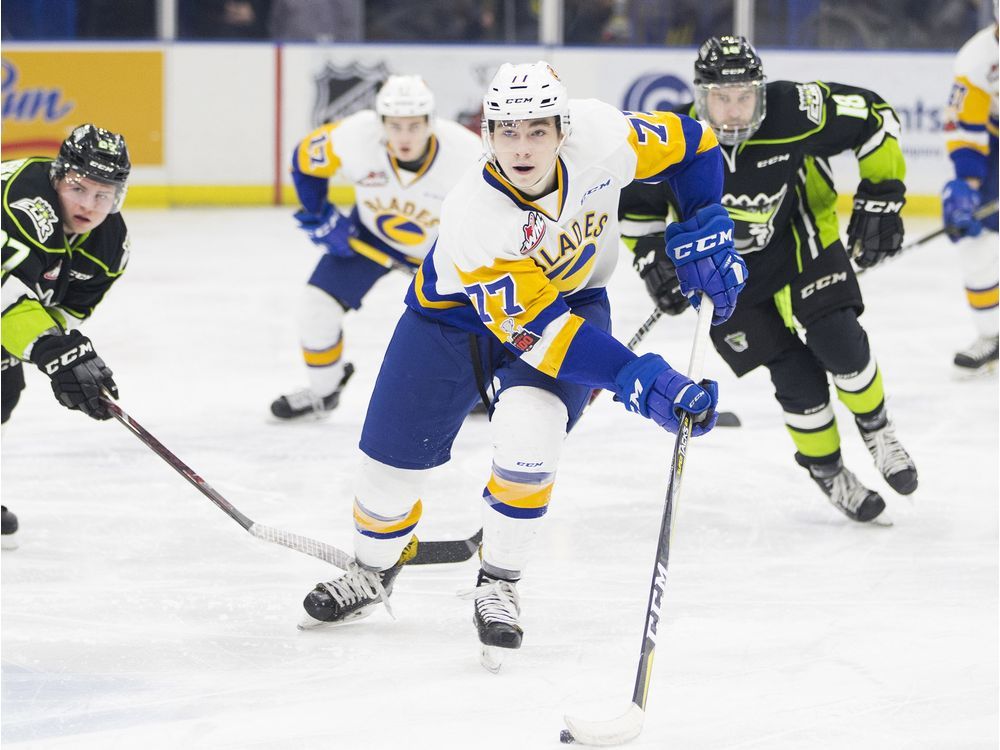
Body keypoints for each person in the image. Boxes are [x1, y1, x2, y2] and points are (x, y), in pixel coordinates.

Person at [296, 61, 747, 670]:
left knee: (529, 435)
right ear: (487, 136)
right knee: (387, 474)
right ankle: (373, 570)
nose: (522, 147)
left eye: (537, 131)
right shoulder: (475, 215)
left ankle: (499, 582)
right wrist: (638, 378)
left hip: (573, 300)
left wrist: (704, 223)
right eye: (507, 132)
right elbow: (545, 338)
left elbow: (696, 147)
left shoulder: (605, 136)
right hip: (449, 324)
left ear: (563, 129)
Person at [621, 36, 918, 524]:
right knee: (795, 377)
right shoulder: (673, 137)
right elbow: (635, 210)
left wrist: (882, 193)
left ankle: (877, 429)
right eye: (721, 97)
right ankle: (827, 471)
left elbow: (876, 117)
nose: (734, 112)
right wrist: (653, 258)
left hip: (801, 243)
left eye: (744, 97)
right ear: (700, 95)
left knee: (839, 342)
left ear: (761, 92)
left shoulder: (794, 108)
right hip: (724, 277)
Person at [270, 75, 483, 420]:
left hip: (443, 254)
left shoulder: (467, 153)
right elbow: (304, 161)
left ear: (431, 121)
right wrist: (320, 214)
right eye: (395, 126)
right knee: (316, 306)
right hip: (370, 238)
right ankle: (324, 392)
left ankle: (481, 388)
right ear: (380, 122)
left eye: (414, 126)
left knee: (471, 323)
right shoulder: (355, 136)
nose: (404, 137)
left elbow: (499, 208)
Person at [1, 124, 131, 549]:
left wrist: (71, 359)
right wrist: (53, 351)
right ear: (58, 175)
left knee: (3, 388)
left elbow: (60, 312)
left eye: (102, 194)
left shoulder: (110, 242)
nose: (89, 205)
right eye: (78, 187)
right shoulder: (22, 205)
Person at [941, 19, 998, 376]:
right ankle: (992, 336)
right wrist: (966, 184)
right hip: (994, 148)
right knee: (974, 243)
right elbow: (966, 127)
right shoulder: (977, 59)